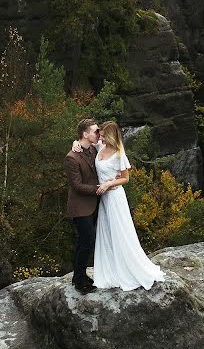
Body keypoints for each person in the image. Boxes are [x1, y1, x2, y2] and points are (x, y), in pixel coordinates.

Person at [73, 121, 165, 291]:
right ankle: (110, 268)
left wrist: (110, 184)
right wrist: (76, 142)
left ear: (109, 135)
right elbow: (84, 143)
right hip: (103, 199)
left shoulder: (118, 153)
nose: (98, 135)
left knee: (120, 232)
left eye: (101, 133)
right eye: (97, 132)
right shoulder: (99, 147)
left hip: (114, 197)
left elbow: (126, 178)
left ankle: (127, 268)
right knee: (106, 232)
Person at [64, 118, 100, 295]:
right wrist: (98, 189)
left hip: (92, 205)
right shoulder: (71, 157)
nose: (98, 133)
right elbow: (76, 185)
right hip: (79, 207)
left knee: (83, 242)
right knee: (87, 241)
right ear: (86, 134)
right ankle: (79, 281)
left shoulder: (93, 148)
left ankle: (79, 276)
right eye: (95, 131)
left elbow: (112, 138)